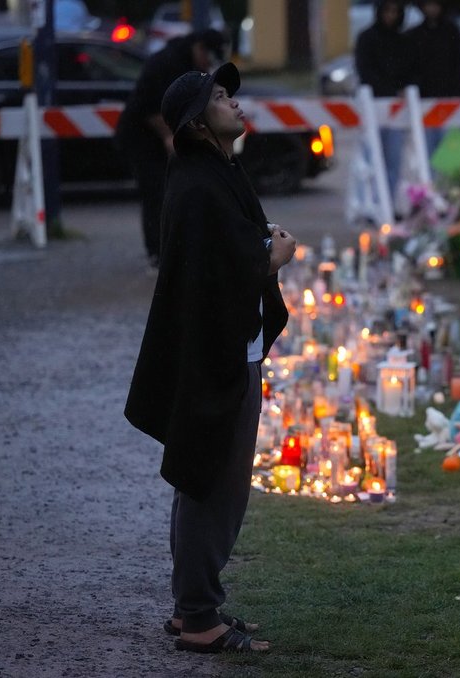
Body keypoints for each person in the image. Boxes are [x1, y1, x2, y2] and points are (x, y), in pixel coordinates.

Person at [124, 62, 296, 654]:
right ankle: (199, 620)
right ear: (197, 123)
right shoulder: (200, 183)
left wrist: (260, 244)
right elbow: (220, 270)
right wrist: (272, 257)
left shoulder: (214, 172)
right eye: (221, 97)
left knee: (201, 478)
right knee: (214, 486)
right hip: (216, 357)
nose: (235, 103)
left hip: (218, 350)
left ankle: (190, 609)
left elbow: (225, 247)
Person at [115, 29, 228, 269]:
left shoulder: (187, 63)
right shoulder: (168, 62)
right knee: (156, 192)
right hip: (142, 137)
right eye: (208, 59)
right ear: (200, 48)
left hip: (164, 134)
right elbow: (148, 106)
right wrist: (169, 136)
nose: (208, 65)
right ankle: (158, 253)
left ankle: (178, 248)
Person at [355, 0, 415, 201]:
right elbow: (365, 71)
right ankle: (370, 202)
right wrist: (386, 89)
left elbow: (408, 70)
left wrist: (402, 89)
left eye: (395, 11)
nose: (391, 16)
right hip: (373, 105)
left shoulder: (403, 41)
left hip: (396, 108)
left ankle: (389, 201)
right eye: (387, 11)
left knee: (393, 159)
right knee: (371, 158)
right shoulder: (367, 38)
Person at [406, 0, 460, 153]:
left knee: (451, 151)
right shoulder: (415, 35)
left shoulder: (451, 31)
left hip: (450, 98)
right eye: (428, 5)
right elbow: (412, 67)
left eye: (435, 5)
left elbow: (459, 65)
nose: (431, 9)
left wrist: (458, 94)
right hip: (425, 99)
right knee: (428, 146)